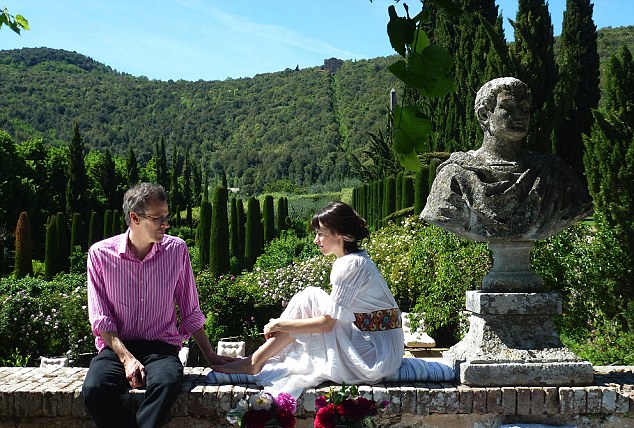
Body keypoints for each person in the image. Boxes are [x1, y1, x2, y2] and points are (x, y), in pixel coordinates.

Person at [82, 182, 237, 428]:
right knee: (94, 389)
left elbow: (190, 310)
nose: (166, 224)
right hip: (117, 348)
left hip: (160, 347)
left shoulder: (176, 250)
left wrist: (210, 354)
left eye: (166, 216)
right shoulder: (100, 255)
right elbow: (100, 318)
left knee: (167, 383)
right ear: (135, 218)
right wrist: (127, 358)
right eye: (159, 218)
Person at [214, 201, 404, 398]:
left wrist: (280, 324)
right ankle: (255, 360)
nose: (316, 240)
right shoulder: (357, 260)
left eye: (321, 233)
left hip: (374, 359)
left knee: (310, 297)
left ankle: (254, 362)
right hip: (382, 351)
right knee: (311, 296)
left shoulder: (350, 265)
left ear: (338, 233)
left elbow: (326, 324)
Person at [421, 77, 592, 242]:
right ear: (484, 115)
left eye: (525, 107)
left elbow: (578, 207)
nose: (520, 115)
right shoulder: (455, 176)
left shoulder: (554, 174)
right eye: (508, 106)